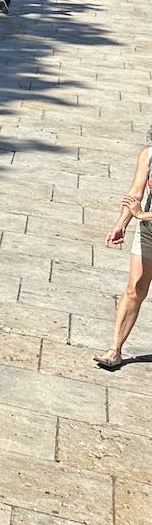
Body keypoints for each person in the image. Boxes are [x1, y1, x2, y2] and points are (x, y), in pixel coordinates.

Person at [97, 136, 152, 370]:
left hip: (146, 220)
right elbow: (135, 194)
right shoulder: (148, 155)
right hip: (149, 232)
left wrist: (141, 215)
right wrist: (122, 223)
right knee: (134, 289)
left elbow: (139, 210)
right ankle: (114, 350)